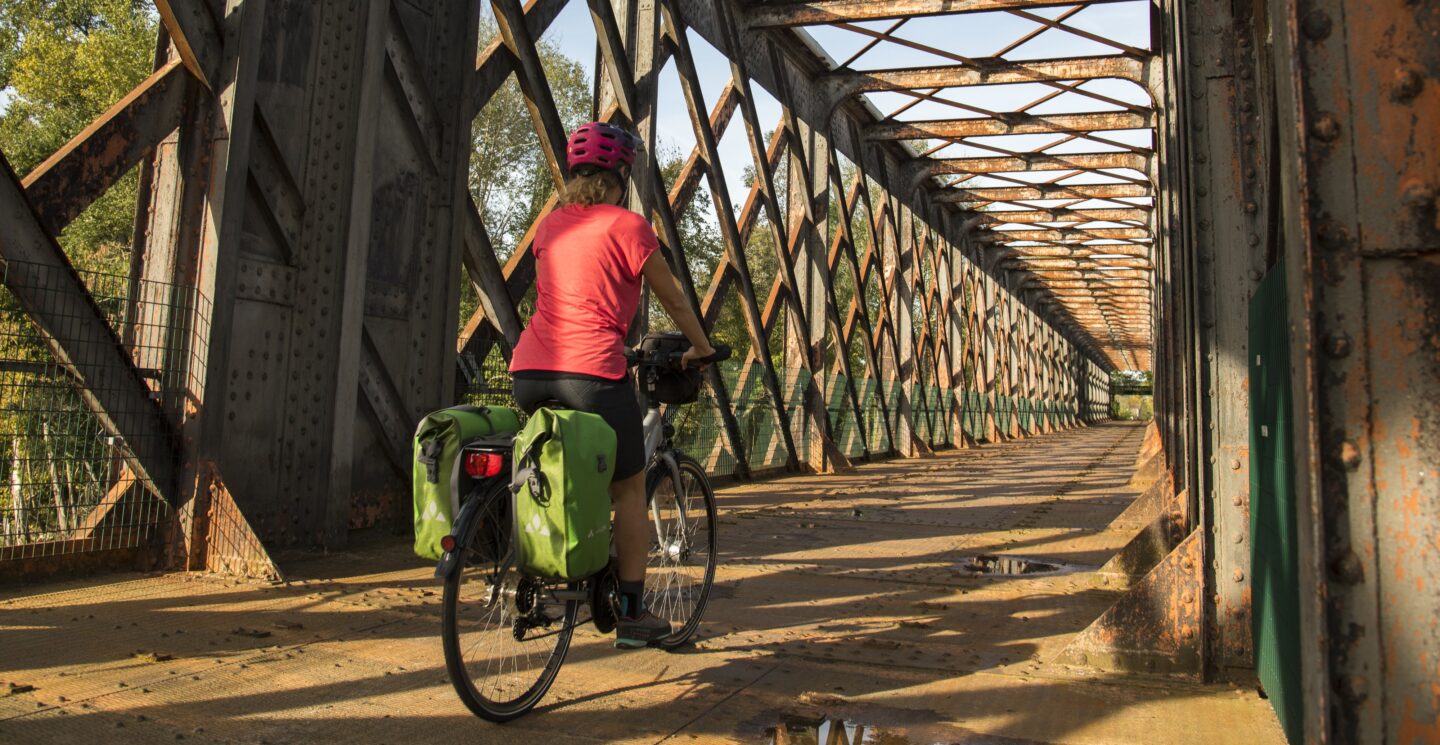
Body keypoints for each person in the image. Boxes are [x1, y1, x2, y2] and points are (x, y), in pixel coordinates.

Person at [509, 122, 716, 649]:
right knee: (626, 488)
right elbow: (671, 299)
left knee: (557, 466)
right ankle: (631, 613)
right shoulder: (629, 226)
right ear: (620, 174)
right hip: (592, 374)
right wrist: (703, 348)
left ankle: (543, 566)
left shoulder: (550, 227)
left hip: (529, 372)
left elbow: (566, 295)